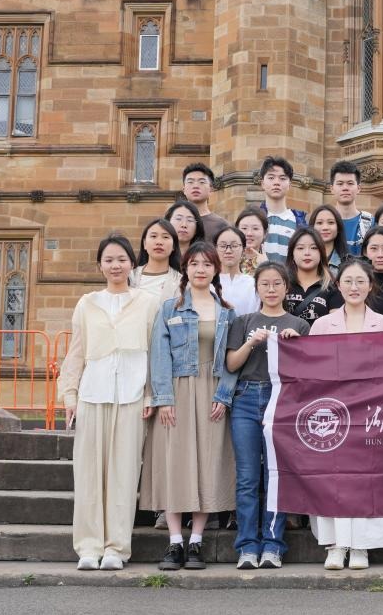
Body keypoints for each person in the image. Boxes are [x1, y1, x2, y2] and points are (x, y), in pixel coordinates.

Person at [59, 234, 159, 571]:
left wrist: (151, 393)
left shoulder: (147, 303)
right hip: (93, 393)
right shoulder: (87, 303)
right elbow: (76, 352)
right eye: (109, 260)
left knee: (124, 474)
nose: (115, 265)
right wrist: (70, 394)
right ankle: (88, 547)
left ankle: (117, 547)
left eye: (121, 259)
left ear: (132, 263)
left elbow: (154, 352)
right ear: (100, 265)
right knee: (89, 473)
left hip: (132, 396)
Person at [139, 242, 238, 572]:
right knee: (175, 464)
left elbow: (231, 360)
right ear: (186, 268)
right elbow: (159, 355)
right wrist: (163, 398)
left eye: (207, 264)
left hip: (212, 392)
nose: (200, 269)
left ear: (215, 269)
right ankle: (174, 541)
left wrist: (223, 396)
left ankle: (196, 540)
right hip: (178, 390)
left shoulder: (227, 312)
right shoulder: (171, 308)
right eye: (194, 263)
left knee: (207, 463)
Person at [309, 258, 383, 570]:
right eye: (348, 281)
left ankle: (362, 545)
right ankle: (336, 544)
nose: (354, 287)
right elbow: (310, 369)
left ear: (370, 285)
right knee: (333, 479)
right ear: (338, 286)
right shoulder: (322, 325)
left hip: (371, 412)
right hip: (333, 413)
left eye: (360, 281)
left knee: (367, 479)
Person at [226, 261, 310, 570]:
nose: (271, 289)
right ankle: (248, 546)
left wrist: (295, 345)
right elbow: (231, 364)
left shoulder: (299, 324)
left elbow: (307, 371)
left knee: (276, 475)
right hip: (246, 399)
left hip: (282, 400)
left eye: (277, 284)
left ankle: (273, 545)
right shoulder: (244, 321)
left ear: (286, 288)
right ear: (257, 288)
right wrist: (251, 342)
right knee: (248, 477)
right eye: (265, 284)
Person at [284, 227, 344, 327]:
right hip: (285, 337)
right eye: (300, 248)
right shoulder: (282, 284)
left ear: (321, 253)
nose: (307, 253)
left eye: (313, 248)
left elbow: (335, 327)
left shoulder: (332, 288)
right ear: (292, 254)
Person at [259, 156, 307, 263]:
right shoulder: (254, 219)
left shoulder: (299, 222)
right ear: (262, 183)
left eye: (282, 178)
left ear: (289, 185)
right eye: (271, 178)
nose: (276, 182)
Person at [130, 218, 182, 304]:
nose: (159, 242)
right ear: (144, 243)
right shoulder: (130, 277)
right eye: (153, 236)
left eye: (165, 237)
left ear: (174, 246)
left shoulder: (180, 281)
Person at [329, 160, 373, 255]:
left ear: (358, 188)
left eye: (350, 183)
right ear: (332, 189)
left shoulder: (371, 223)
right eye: (340, 184)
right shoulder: (321, 223)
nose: (345, 188)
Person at [215, 226, 259, 317]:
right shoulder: (208, 284)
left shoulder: (253, 284)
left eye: (234, 246)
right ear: (215, 249)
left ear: (243, 249)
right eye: (222, 246)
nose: (228, 251)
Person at [181, 163, 229, 242]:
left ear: (211, 189)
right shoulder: (174, 222)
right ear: (184, 190)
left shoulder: (222, 225)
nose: (195, 186)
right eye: (190, 182)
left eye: (201, 182)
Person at [309, 204, 350, 273]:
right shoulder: (303, 259)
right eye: (319, 223)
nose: (325, 227)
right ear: (312, 227)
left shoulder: (348, 263)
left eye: (331, 222)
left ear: (338, 228)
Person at [234, 207, 269, 275]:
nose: (249, 233)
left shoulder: (272, 259)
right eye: (244, 228)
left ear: (265, 233)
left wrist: (266, 267)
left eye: (255, 228)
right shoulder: (226, 256)